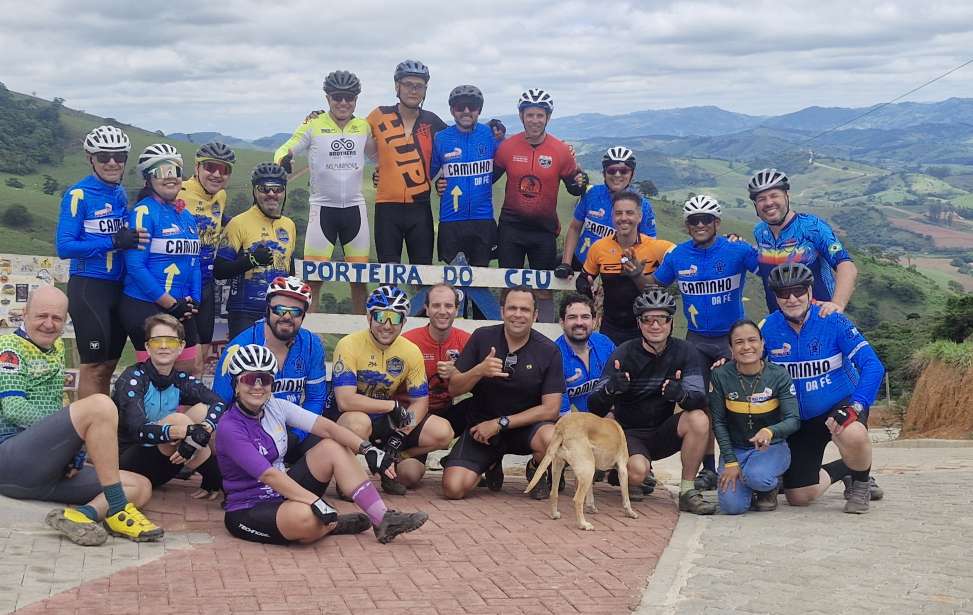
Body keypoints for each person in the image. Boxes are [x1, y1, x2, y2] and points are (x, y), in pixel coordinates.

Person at [216, 344, 429, 545]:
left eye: (265, 379)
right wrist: (314, 501)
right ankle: (332, 524)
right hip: (249, 507)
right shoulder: (229, 426)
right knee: (307, 518)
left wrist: (367, 449)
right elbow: (268, 475)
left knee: (332, 446)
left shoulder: (275, 406)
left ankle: (382, 519)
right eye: (249, 379)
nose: (257, 386)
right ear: (236, 384)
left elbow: (327, 427)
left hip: (283, 492)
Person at [0, 287, 163, 546]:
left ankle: (79, 517)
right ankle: (119, 510)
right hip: (10, 461)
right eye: (41, 316)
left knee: (140, 486)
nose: (49, 324)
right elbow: (14, 410)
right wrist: (73, 438)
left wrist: (67, 450)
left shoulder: (53, 350)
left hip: (45, 473)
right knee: (99, 404)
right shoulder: (9, 347)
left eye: (57, 318)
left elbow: (54, 413)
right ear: (24, 314)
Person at [649, 195, 759, 490]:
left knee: (738, 403)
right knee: (701, 404)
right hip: (696, 341)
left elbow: (771, 271)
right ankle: (709, 469)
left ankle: (742, 463)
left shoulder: (736, 251)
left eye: (706, 219)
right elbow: (653, 287)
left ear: (717, 223)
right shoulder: (677, 256)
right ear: (686, 225)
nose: (700, 224)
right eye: (693, 220)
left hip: (731, 339)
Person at [760, 264, 885, 513]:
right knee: (799, 497)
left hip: (838, 405)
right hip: (799, 419)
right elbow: (749, 364)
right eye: (784, 293)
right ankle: (846, 468)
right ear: (776, 297)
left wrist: (857, 404)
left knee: (854, 434)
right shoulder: (768, 328)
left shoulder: (832, 320)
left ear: (809, 290)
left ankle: (861, 484)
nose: (792, 298)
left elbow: (873, 365)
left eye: (798, 290)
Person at [588, 288, 715, 514]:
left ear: (670, 322)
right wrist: (611, 388)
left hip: (662, 431)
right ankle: (624, 473)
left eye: (661, 319)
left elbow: (700, 397)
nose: (655, 326)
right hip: (629, 433)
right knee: (637, 473)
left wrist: (681, 396)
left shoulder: (686, 351)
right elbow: (594, 405)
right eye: (648, 319)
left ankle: (687, 491)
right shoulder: (623, 352)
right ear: (639, 323)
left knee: (698, 418)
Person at [443, 286, 563, 500]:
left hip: (525, 428)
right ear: (502, 311)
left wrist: (501, 423)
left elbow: (551, 409)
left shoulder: (549, 350)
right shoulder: (482, 337)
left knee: (551, 436)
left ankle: (536, 467)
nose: (518, 314)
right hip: (482, 428)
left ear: (535, 315)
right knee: (453, 488)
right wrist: (478, 371)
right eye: (512, 308)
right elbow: (454, 388)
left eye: (525, 310)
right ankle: (490, 462)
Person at [332, 286, 453, 495]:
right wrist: (392, 405)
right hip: (351, 417)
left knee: (443, 432)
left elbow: (420, 402)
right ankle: (347, 477)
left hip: (386, 419)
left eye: (395, 318)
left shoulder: (410, 350)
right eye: (380, 316)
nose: (387, 325)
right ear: (368, 317)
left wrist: (400, 436)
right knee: (358, 424)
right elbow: (345, 400)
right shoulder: (348, 344)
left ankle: (390, 461)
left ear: (404, 322)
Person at [56, 125, 146, 398]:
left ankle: (101, 425)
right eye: (103, 156)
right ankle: (82, 429)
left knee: (108, 366)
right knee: (93, 366)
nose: (111, 162)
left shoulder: (118, 193)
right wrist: (113, 242)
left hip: (117, 288)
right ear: (90, 158)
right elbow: (64, 246)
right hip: (89, 287)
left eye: (119, 156)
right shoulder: (78, 195)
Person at [275, 70, 374, 313]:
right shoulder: (314, 125)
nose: (343, 103)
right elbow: (287, 147)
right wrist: (284, 159)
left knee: (359, 281)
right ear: (328, 97)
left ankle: (362, 339)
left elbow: (379, 156)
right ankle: (311, 338)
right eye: (337, 97)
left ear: (356, 99)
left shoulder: (363, 126)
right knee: (313, 281)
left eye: (349, 97)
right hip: (322, 210)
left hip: (355, 209)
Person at [213, 276, 326, 465]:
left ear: (303, 316)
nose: (287, 317)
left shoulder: (312, 345)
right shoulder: (240, 346)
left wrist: (296, 436)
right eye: (280, 309)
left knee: (329, 445)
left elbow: (315, 399)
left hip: (292, 431)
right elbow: (220, 402)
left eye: (296, 312)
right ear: (268, 310)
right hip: (249, 431)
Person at [113, 314, 226, 499]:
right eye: (157, 341)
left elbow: (218, 402)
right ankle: (220, 479)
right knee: (178, 419)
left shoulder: (179, 379)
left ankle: (212, 480)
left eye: (171, 341)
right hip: (129, 465)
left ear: (181, 347)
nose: (164, 346)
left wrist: (200, 433)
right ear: (148, 348)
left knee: (203, 411)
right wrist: (188, 432)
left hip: (169, 461)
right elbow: (138, 430)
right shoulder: (133, 377)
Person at [121, 143, 201, 374]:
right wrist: (170, 304)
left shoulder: (186, 216)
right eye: (161, 171)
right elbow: (135, 266)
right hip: (144, 303)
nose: (170, 177)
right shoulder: (144, 212)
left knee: (190, 368)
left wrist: (193, 301)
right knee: (154, 374)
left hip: (179, 305)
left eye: (174, 171)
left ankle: (179, 413)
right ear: (148, 178)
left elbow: (193, 262)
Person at [709, 320, 800, 514]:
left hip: (771, 447)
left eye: (752, 340)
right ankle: (747, 485)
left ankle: (768, 487)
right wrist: (731, 461)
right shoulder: (720, 375)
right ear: (731, 348)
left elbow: (793, 419)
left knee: (757, 476)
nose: (747, 347)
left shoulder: (779, 375)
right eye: (739, 342)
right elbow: (718, 422)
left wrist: (770, 431)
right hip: (736, 449)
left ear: (762, 343)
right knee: (732, 508)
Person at [493, 89, 587, 272]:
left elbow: (574, 189)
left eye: (540, 115)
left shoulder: (561, 150)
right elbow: (487, 179)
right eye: (529, 115)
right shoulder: (507, 147)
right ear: (521, 116)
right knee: (509, 287)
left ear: (548, 117)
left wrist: (582, 180)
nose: (534, 120)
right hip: (511, 229)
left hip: (544, 231)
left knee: (544, 290)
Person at [366, 60, 446, 264]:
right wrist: (319, 118)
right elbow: (351, 133)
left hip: (420, 209)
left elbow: (457, 148)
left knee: (422, 276)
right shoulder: (378, 115)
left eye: (419, 86)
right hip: (386, 209)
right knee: (388, 274)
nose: (413, 90)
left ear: (425, 90)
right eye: (408, 84)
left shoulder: (433, 121)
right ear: (397, 86)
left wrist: (442, 178)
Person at [748, 168, 858, 315]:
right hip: (780, 322)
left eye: (774, 195)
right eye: (761, 199)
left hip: (819, 318)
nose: (768, 203)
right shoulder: (759, 231)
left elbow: (845, 265)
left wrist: (837, 304)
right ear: (756, 205)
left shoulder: (813, 227)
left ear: (787, 196)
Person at [577, 191, 674, 344]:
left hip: (647, 328)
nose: (623, 218)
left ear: (640, 216)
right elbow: (584, 278)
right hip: (610, 327)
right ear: (612, 217)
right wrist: (586, 290)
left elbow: (686, 255)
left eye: (629, 213)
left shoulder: (657, 247)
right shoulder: (599, 247)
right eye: (618, 213)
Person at [214, 163, 297, 338]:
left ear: (284, 191)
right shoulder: (238, 223)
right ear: (255, 190)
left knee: (278, 363)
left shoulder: (289, 225)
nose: (272, 194)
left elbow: (290, 270)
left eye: (278, 189)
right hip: (244, 312)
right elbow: (219, 270)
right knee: (246, 364)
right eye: (265, 189)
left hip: (279, 311)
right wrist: (251, 260)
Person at [556, 146, 657, 277]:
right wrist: (566, 263)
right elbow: (575, 228)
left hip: (616, 271)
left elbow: (649, 245)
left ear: (632, 174)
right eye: (611, 170)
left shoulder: (643, 205)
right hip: (581, 262)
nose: (617, 175)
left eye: (624, 171)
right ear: (604, 173)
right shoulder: (591, 193)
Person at [178, 141, 236, 367]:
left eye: (224, 170)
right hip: (180, 286)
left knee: (201, 360)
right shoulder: (179, 192)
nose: (216, 174)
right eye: (210, 167)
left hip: (206, 285)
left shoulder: (220, 196)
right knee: (183, 360)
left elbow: (219, 222)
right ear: (197, 167)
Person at [430, 85, 499, 266]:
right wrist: (438, 183)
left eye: (472, 106)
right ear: (452, 110)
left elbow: (512, 156)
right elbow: (427, 172)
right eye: (460, 107)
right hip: (451, 221)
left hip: (482, 220)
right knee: (454, 286)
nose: (466, 111)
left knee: (480, 281)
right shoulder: (441, 138)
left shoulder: (490, 135)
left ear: (479, 110)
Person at [401, 283, 471, 438]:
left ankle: (465, 457)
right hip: (410, 414)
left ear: (456, 310)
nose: (442, 311)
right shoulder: (408, 341)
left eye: (448, 306)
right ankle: (403, 453)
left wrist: (460, 373)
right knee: (412, 464)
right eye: (436, 305)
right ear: (426, 309)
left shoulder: (467, 341)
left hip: (445, 413)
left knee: (485, 404)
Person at [555, 294, 614, 414]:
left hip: (606, 417)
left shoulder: (605, 343)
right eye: (572, 317)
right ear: (562, 322)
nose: (579, 322)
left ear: (594, 321)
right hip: (571, 424)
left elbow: (619, 387)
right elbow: (563, 414)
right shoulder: (554, 355)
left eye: (585, 317)